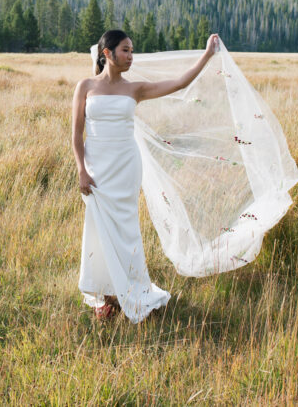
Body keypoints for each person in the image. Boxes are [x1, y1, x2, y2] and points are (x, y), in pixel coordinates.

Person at [72, 29, 219, 322]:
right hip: (97, 168)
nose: (131, 56)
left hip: (125, 166)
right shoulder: (85, 86)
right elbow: (76, 134)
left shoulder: (135, 89)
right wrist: (81, 171)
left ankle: (132, 290)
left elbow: (179, 83)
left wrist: (207, 54)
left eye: (132, 51)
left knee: (126, 230)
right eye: (125, 50)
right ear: (107, 54)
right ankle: (104, 294)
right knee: (98, 228)